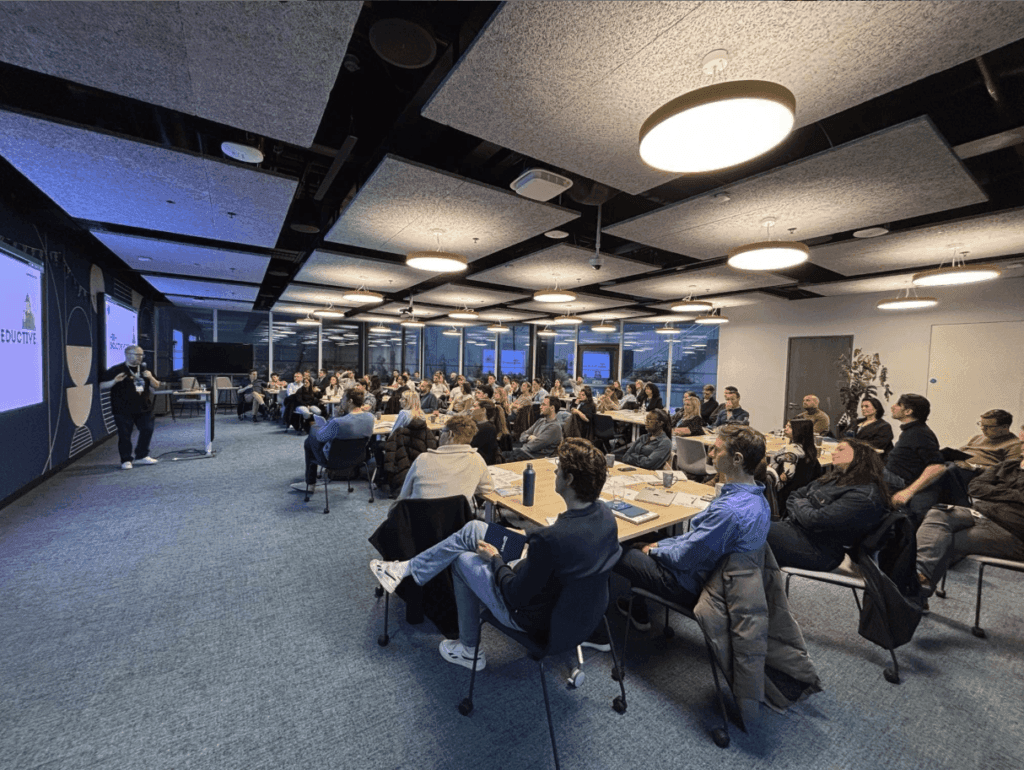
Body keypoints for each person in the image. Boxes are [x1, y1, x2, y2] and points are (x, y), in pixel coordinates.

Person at [370, 438, 621, 671]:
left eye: (559, 468)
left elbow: (514, 594)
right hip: (568, 603)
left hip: (527, 614)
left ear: (569, 479)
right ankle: (405, 569)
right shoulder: (605, 515)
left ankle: (469, 650)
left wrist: (495, 559)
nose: (555, 471)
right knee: (475, 529)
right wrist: (526, 537)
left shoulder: (550, 540)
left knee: (462, 560)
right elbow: (561, 546)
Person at [613, 425, 771, 630]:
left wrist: (653, 549)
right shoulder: (757, 498)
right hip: (720, 578)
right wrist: (660, 544)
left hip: (690, 584)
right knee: (652, 537)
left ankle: (606, 620)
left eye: (717, 449)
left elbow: (685, 558)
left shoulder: (729, 512)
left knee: (615, 548)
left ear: (738, 459)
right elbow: (697, 543)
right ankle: (637, 604)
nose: (711, 454)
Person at [916, 430, 1024, 600]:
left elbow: (987, 489)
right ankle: (918, 575)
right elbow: (975, 487)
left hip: (1013, 530)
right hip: (980, 513)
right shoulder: (1007, 466)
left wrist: (995, 491)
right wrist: (1015, 494)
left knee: (943, 541)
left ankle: (914, 596)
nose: (1021, 446)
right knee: (938, 512)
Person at [768, 439, 892, 571]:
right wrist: (804, 512)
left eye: (841, 449)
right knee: (750, 528)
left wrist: (802, 509)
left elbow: (814, 520)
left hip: (820, 551)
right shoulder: (835, 478)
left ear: (860, 455)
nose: (834, 453)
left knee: (750, 532)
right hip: (797, 531)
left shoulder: (864, 495)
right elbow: (795, 495)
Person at [393, 413, 494, 508]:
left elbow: (404, 495)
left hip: (418, 521)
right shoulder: (476, 459)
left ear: (450, 434)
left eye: (442, 432)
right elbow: (488, 487)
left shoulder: (423, 459)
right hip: (456, 523)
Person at [296, 390, 375, 494]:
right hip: (359, 458)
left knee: (310, 439)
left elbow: (320, 438)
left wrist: (333, 418)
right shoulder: (370, 417)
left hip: (334, 460)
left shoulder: (337, 422)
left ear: (350, 401)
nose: (341, 401)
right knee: (312, 438)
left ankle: (310, 484)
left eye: (343, 399)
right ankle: (310, 483)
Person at [884, 394, 946, 523]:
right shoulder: (911, 431)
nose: (892, 407)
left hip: (900, 480)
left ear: (908, 411)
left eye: (898, 404)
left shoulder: (920, 433)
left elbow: (937, 467)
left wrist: (908, 491)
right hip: (893, 475)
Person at [100, 345, 161, 469]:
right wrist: (114, 381)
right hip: (122, 409)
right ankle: (126, 460)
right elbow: (102, 385)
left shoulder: (145, 369)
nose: (140, 357)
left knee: (147, 430)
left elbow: (156, 385)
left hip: (144, 407)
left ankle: (142, 455)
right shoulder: (117, 369)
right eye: (137, 355)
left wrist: (150, 377)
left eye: (141, 355)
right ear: (127, 355)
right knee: (125, 434)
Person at [383, 395, 439, 497]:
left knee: (380, 445)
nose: (400, 400)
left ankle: (381, 476)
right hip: (417, 448)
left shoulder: (403, 413)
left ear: (408, 402)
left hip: (402, 447)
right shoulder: (421, 413)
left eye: (403, 399)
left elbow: (393, 434)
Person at [768, 419, 820, 513]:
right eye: (786, 426)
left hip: (785, 496)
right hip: (802, 491)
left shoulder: (791, 451)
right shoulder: (810, 449)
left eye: (790, 427)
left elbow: (785, 479)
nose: (785, 429)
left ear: (799, 431)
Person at [504, 396, 563, 461]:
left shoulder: (554, 427)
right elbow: (522, 435)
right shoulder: (541, 421)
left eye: (543, 405)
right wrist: (529, 437)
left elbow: (534, 446)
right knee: (498, 455)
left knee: (500, 458)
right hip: (525, 453)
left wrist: (525, 443)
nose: (540, 407)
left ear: (552, 408)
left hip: (535, 458)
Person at [469, 401, 501, 466]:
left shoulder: (485, 428)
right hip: (481, 460)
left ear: (483, 410)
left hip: (480, 463)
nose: (472, 409)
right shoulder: (487, 425)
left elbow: (470, 447)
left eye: (475, 407)